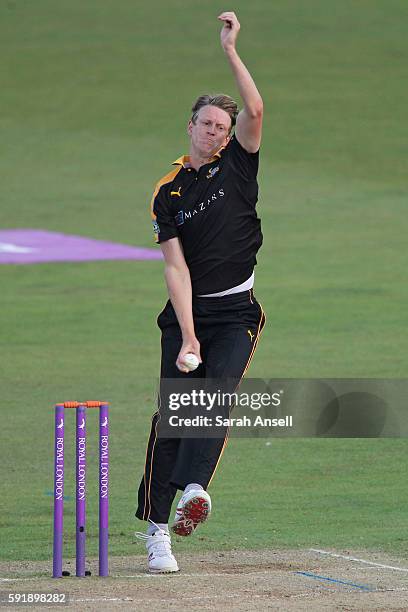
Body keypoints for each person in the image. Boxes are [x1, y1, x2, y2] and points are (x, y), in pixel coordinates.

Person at [135, 11, 266, 573]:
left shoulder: (238, 164)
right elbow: (176, 269)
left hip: (238, 309)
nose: (214, 132)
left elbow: (256, 110)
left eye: (221, 126)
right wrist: (188, 335)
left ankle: (194, 490)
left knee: (217, 396)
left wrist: (231, 51)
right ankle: (157, 530)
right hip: (189, 313)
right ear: (188, 126)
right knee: (176, 416)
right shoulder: (168, 193)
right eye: (206, 124)